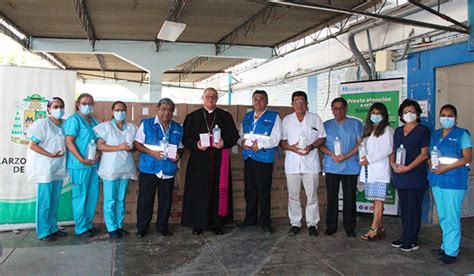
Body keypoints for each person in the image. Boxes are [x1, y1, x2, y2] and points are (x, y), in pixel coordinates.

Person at [181, 88, 240, 235]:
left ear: (217, 99)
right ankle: (198, 223)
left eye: (214, 97)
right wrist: (196, 145)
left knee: (217, 192)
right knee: (198, 192)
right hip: (199, 162)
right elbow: (185, 139)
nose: (210, 99)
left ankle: (217, 224)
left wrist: (224, 142)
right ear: (203, 98)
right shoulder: (192, 117)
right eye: (208, 96)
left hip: (220, 162)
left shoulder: (225, 116)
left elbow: (234, 137)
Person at [428, 104, 472, 264]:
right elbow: (429, 154)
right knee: (443, 216)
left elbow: (467, 158)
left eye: (450, 115)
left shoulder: (462, 134)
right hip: (437, 180)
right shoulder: (436, 134)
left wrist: (446, 168)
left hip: (453, 181)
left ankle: (452, 251)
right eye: (443, 115)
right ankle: (445, 245)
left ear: (455, 117)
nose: (446, 118)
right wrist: (430, 164)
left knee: (452, 216)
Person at [133, 98, 183, 238]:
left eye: (169, 110)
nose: (166, 112)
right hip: (149, 168)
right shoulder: (146, 124)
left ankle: (162, 227)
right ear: (157, 109)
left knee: (165, 201)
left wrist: (178, 155)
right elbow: (137, 144)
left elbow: (181, 148)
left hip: (168, 169)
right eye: (163, 109)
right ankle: (142, 228)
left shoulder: (178, 128)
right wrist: (151, 153)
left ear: (173, 112)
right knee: (145, 200)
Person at [280, 91, 326, 237]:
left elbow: (322, 138)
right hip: (292, 164)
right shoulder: (286, 120)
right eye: (296, 101)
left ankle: (312, 224)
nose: (299, 104)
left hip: (311, 163)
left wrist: (311, 147)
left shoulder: (315, 119)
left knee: (311, 195)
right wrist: (291, 147)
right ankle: (295, 223)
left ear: (307, 104)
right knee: (293, 195)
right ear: (292, 104)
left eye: (302, 101)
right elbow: (282, 141)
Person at [237, 90, 282, 234]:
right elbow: (240, 134)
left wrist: (260, 145)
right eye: (255, 99)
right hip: (249, 158)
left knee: (263, 192)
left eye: (261, 99)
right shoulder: (248, 116)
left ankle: (265, 221)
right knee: (250, 191)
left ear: (266, 101)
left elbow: (276, 138)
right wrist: (241, 141)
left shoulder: (274, 117)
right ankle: (250, 218)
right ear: (252, 101)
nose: (258, 102)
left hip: (263, 159)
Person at [390, 99, 430, 251]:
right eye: (406, 112)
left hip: (415, 176)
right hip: (400, 175)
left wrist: (407, 168)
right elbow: (393, 151)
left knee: (414, 208)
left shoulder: (423, 130)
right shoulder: (399, 131)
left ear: (418, 113)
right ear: (401, 114)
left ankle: (412, 240)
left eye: (412, 111)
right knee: (405, 208)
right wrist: (393, 164)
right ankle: (405, 235)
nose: (409, 114)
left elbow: (424, 154)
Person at [93, 101, 138, 239]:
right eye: (117, 110)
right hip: (110, 169)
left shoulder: (131, 127)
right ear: (112, 112)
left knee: (120, 199)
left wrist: (131, 148)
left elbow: (136, 146)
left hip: (125, 168)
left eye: (123, 110)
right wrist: (119, 147)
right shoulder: (105, 127)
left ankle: (119, 225)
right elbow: (100, 146)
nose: (120, 112)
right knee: (110, 200)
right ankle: (111, 228)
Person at [26, 97, 68, 241]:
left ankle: (53, 227)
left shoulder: (65, 124)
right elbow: (33, 145)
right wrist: (50, 154)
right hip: (45, 168)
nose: (59, 109)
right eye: (55, 107)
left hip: (58, 167)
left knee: (54, 200)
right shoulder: (42, 124)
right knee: (44, 201)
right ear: (49, 109)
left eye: (61, 106)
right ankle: (43, 232)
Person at [320, 97, 362, 238]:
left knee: (350, 198)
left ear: (346, 109)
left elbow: (360, 144)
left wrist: (346, 155)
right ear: (332, 109)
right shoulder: (326, 125)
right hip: (332, 166)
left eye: (341, 108)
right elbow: (321, 144)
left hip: (350, 166)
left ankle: (350, 227)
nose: (338, 111)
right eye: (335, 108)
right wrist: (331, 154)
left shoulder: (355, 124)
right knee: (332, 197)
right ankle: (331, 226)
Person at [64, 93, 101, 237]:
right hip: (79, 165)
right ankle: (81, 228)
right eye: (84, 103)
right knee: (80, 196)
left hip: (92, 164)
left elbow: (98, 140)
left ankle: (88, 224)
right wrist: (81, 159)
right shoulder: (74, 120)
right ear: (78, 105)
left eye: (90, 103)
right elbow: (69, 142)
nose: (87, 106)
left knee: (92, 196)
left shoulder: (94, 121)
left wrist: (98, 153)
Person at [359, 102, 394, 241]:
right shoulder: (370, 130)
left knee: (378, 201)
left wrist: (369, 159)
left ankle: (373, 228)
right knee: (375, 201)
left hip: (379, 170)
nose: (375, 115)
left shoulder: (387, 130)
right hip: (369, 170)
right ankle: (380, 227)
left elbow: (387, 149)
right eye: (373, 113)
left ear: (384, 115)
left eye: (378, 113)